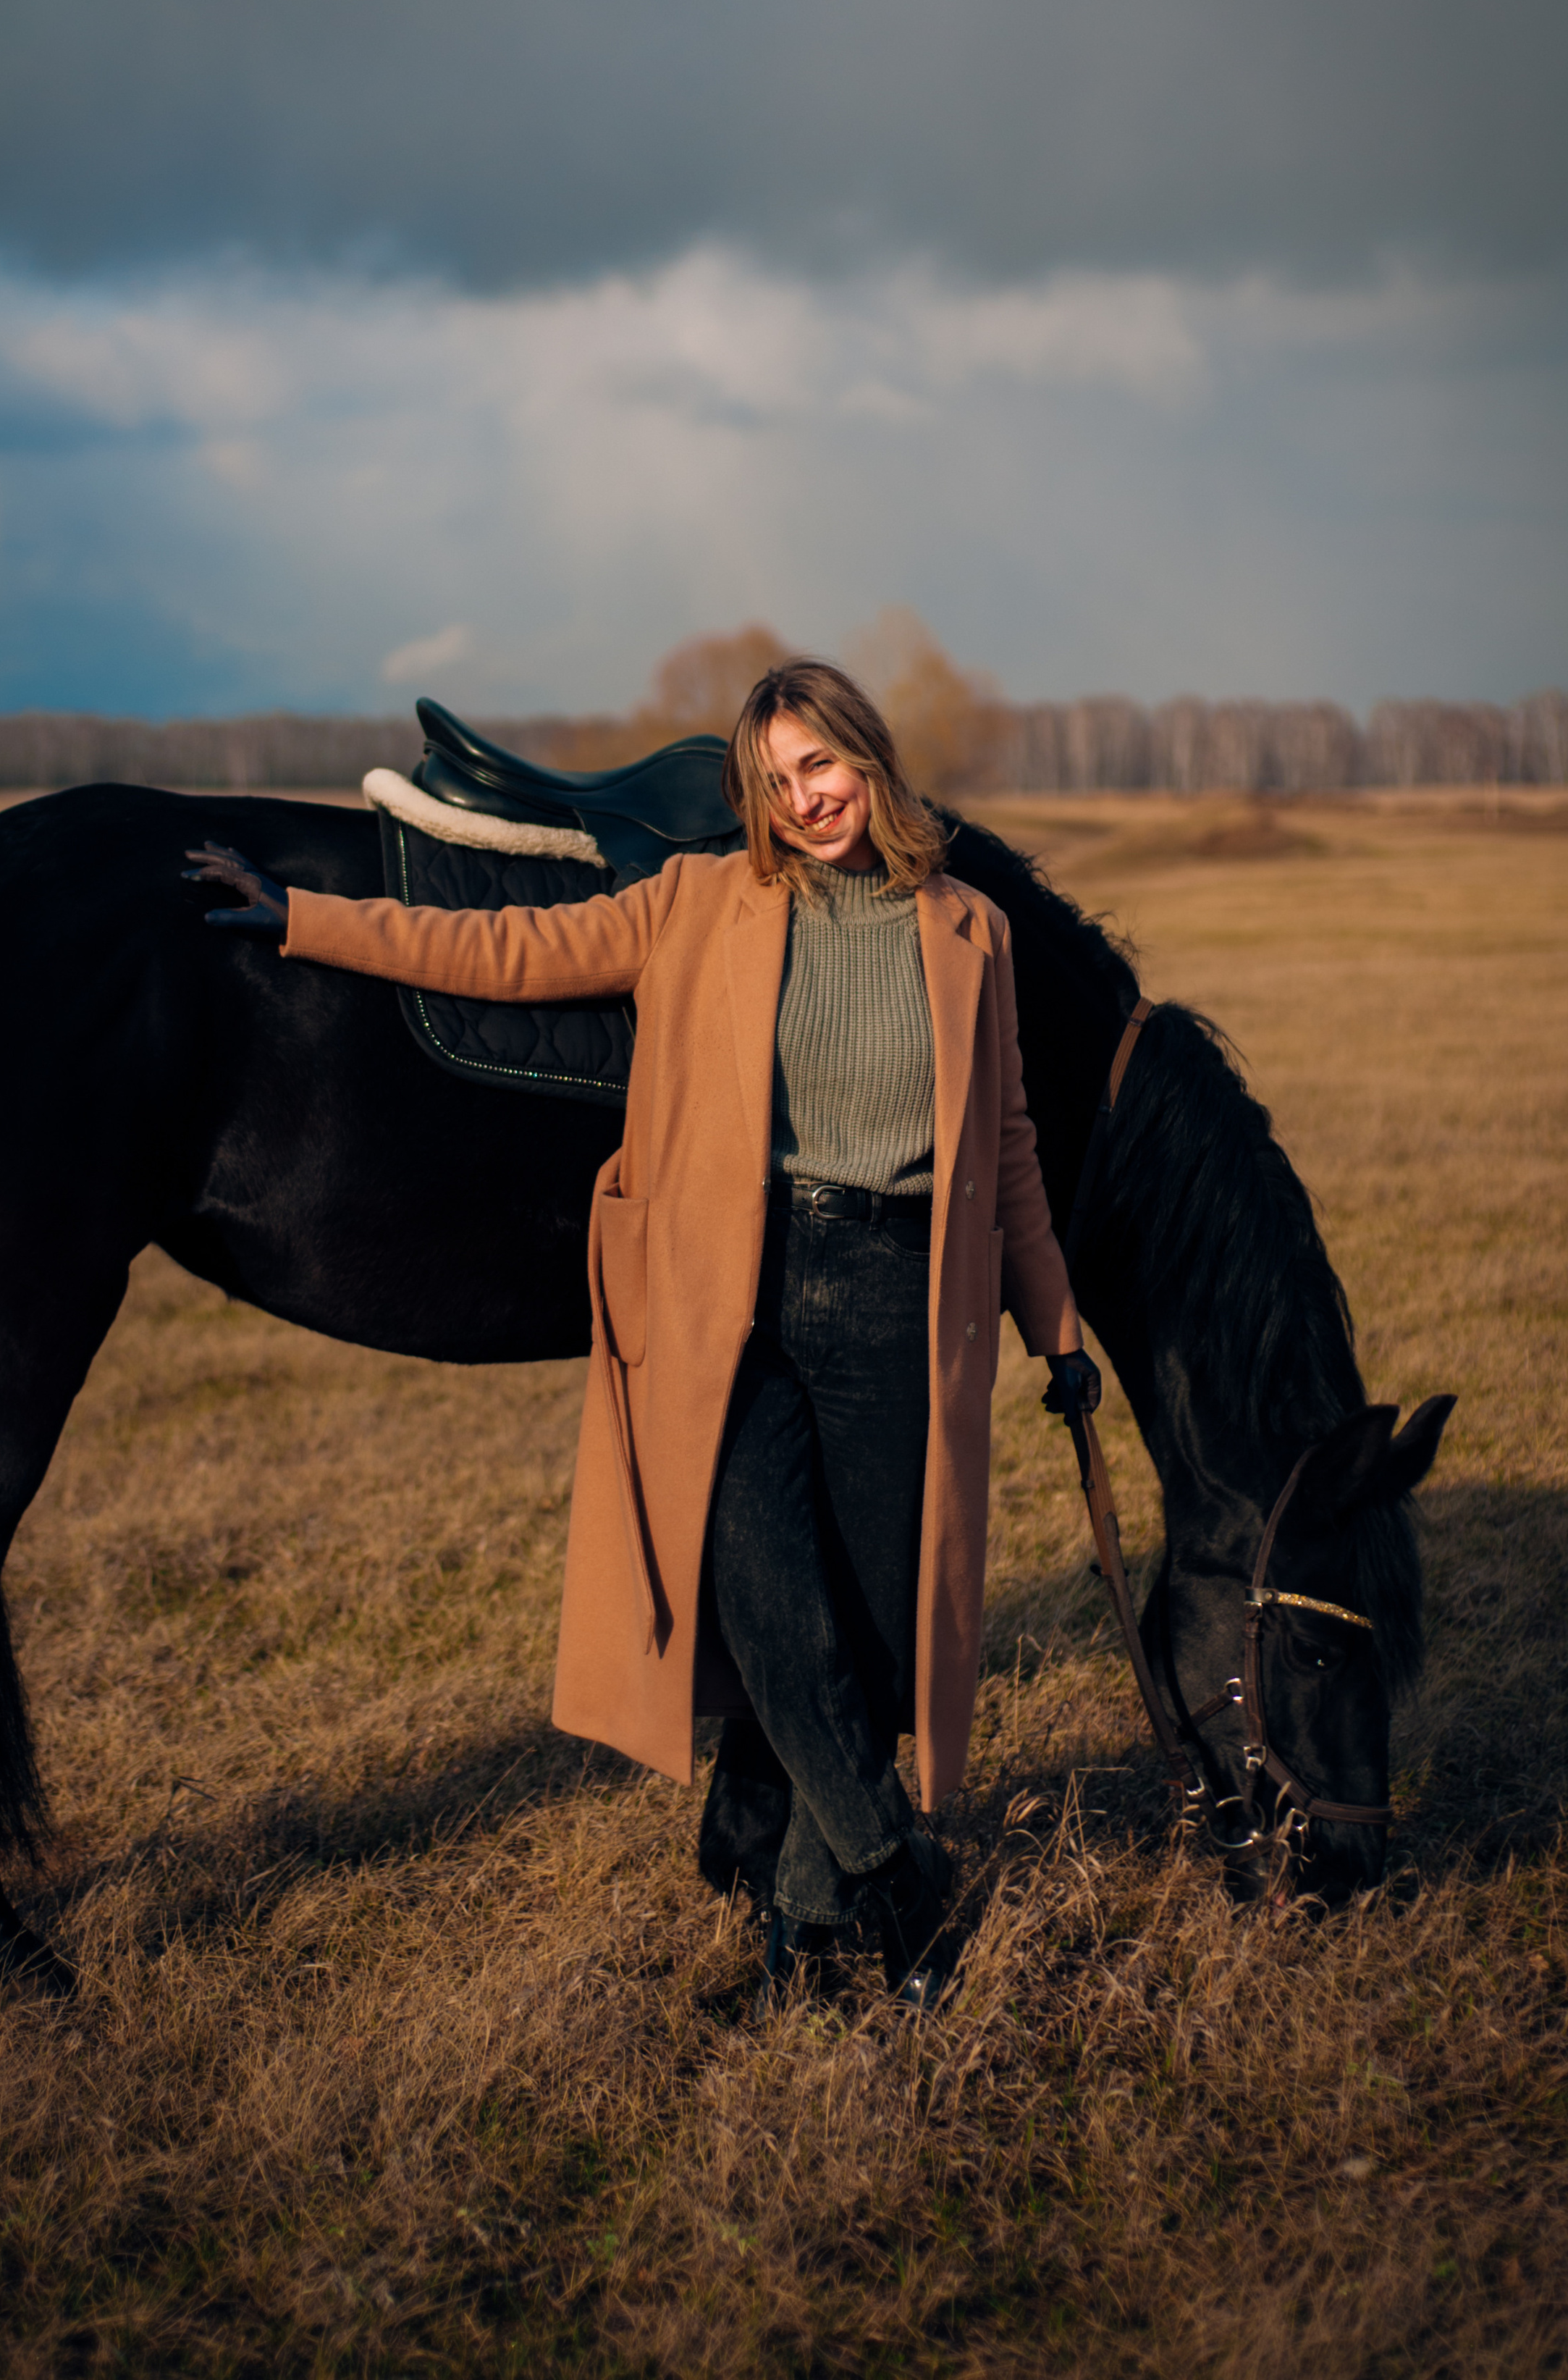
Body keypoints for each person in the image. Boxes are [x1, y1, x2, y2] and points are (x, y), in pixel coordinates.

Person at [186, 658, 1097, 2010]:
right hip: (736, 1299)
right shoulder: (698, 903)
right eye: (777, 783)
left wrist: (1057, 1328)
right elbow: (499, 954)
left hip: (901, 1300)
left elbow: (1008, 1143)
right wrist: (302, 918)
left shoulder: (970, 932)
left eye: (823, 768)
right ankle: (899, 1867)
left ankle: (807, 1933)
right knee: (771, 1604)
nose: (805, 802)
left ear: (870, 760)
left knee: (857, 1625)